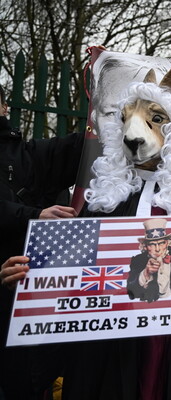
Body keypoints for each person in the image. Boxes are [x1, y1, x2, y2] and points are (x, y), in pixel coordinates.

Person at [60, 58, 171, 399]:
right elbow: (68, 273)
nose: (133, 134)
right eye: (127, 121)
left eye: (155, 119)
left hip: (170, 339)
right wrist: (30, 274)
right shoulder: (107, 199)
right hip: (108, 338)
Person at [0, 82, 83, 399]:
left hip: (30, 317)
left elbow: (82, 147)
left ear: (6, 108)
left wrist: (109, 93)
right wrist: (33, 215)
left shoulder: (29, 156)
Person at [127, 218, 171, 303]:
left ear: (167, 243)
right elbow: (131, 293)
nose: (157, 249)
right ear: (145, 246)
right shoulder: (137, 261)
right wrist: (146, 273)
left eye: (161, 243)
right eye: (152, 244)